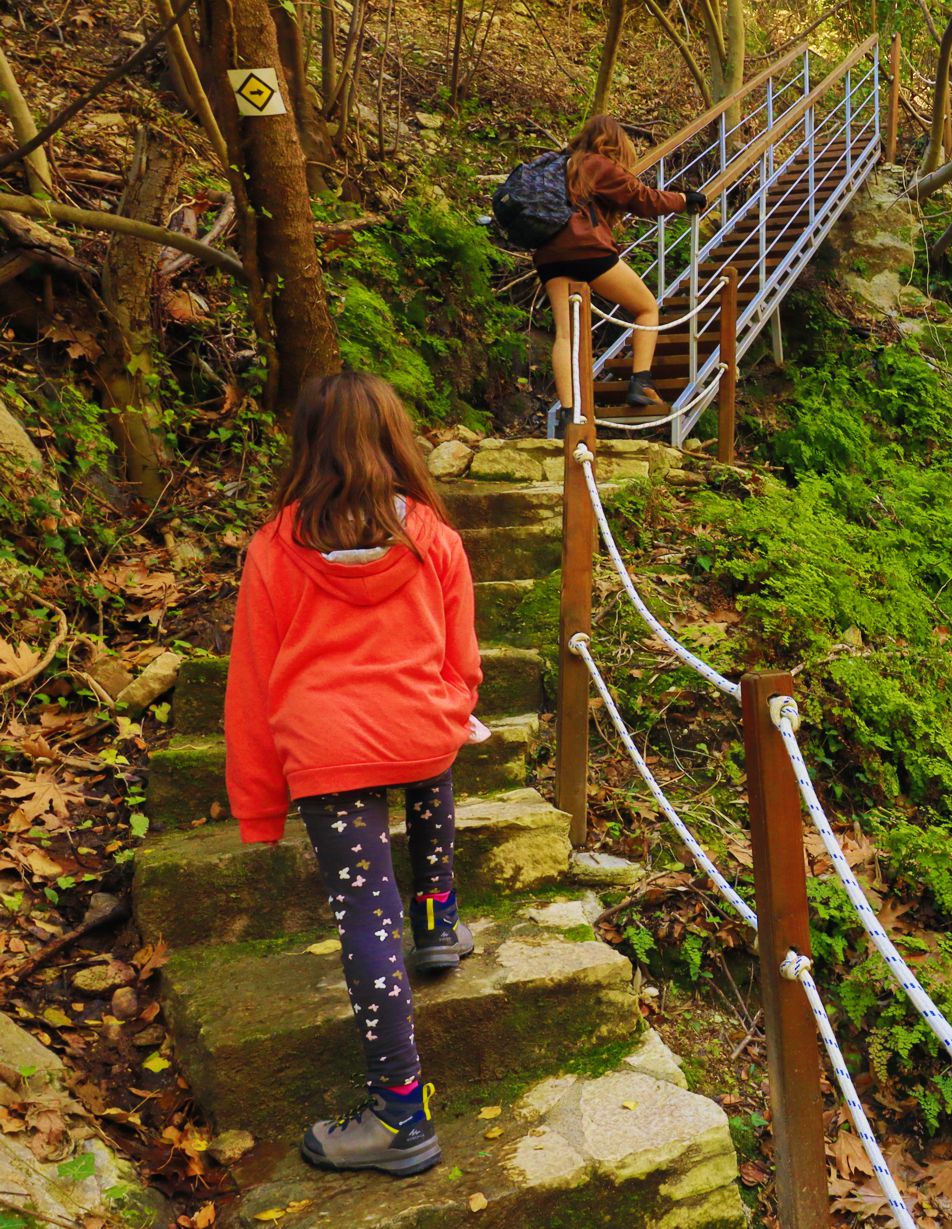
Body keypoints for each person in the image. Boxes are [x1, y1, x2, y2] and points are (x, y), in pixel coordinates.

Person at [223, 372, 484, 1178]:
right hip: (418, 726)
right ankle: (437, 920)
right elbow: (461, 656)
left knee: (367, 923)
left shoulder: (274, 546)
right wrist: (450, 704)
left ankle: (402, 1114)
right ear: (396, 438)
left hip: (326, 748)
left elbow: (253, 682)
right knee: (429, 753)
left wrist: (261, 806)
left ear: (307, 446)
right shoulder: (432, 535)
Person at [536, 115, 707, 410]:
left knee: (565, 334)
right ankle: (640, 382)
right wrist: (683, 199)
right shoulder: (596, 164)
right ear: (612, 142)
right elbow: (643, 198)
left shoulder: (559, 167)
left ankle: (568, 413)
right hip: (586, 250)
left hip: (549, 255)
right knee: (645, 307)